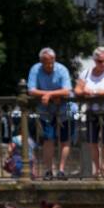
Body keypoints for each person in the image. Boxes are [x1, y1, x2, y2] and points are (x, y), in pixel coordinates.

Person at [27, 48, 73, 180]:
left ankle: (61, 170)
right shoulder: (35, 69)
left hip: (64, 109)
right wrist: (50, 95)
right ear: (41, 62)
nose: (50, 65)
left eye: (52, 62)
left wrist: (49, 94)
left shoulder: (62, 69)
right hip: (45, 110)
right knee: (48, 139)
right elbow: (31, 90)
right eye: (47, 63)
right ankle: (48, 171)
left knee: (65, 140)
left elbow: (66, 91)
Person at [76, 47, 104, 178]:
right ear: (95, 60)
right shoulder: (86, 73)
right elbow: (77, 90)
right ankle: (97, 167)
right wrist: (84, 92)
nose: (103, 64)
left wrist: (92, 92)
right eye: (100, 61)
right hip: (92, 111)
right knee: (92, 142)